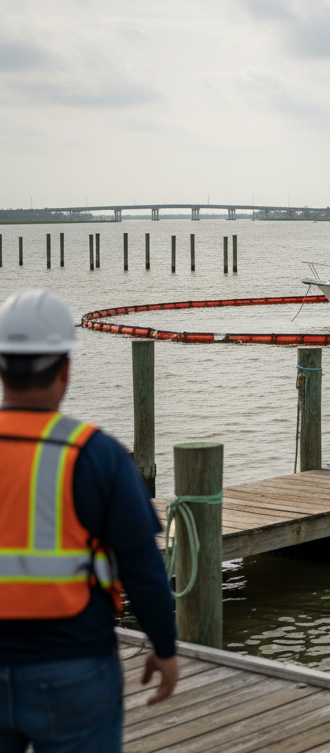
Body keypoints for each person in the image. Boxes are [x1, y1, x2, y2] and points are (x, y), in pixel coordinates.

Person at [0, 289, 179, 752]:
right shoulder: (96, 454)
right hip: (74, 666)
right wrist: (164, 646)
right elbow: (142, 568)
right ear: (65, 367)